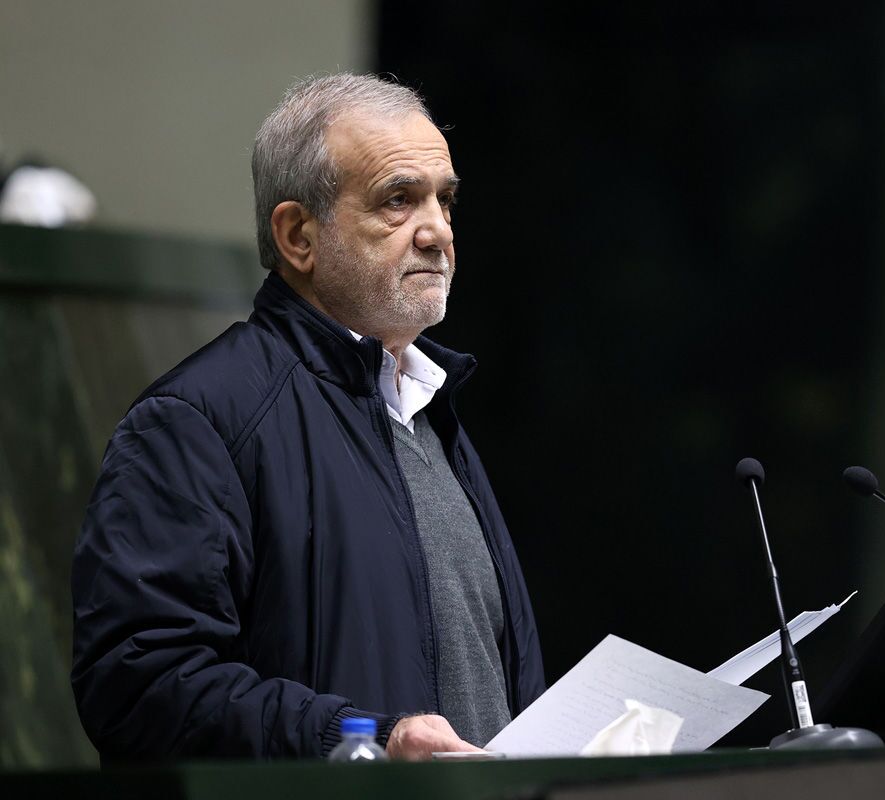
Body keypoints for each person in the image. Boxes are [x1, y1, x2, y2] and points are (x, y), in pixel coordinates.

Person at [71, 74, 545, 760]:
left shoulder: (428, 409)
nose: (438, 232)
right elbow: (138, 687)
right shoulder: (197, 422)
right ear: (298, 236)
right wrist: (363, 743)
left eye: (444, 200)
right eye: (398, 200)